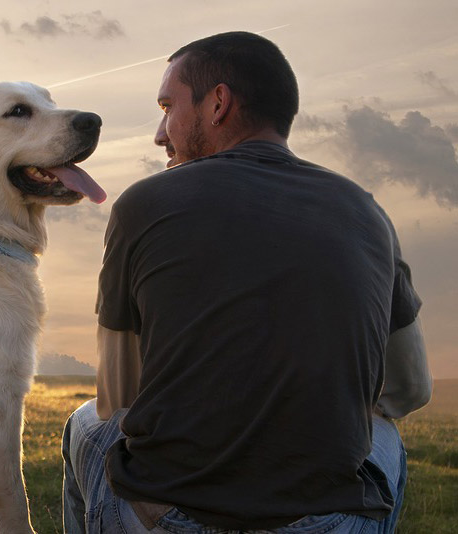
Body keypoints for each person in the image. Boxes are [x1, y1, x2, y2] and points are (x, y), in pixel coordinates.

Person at [62, 31, 433, 534]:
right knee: (382, 432)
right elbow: (410, 390)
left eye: (168, 106)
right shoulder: (366, 210)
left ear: (218, 103)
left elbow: (118, 397)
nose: (159, 133)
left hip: (170, 518)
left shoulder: (144, 203)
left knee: (85, 422)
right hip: (330, 522)